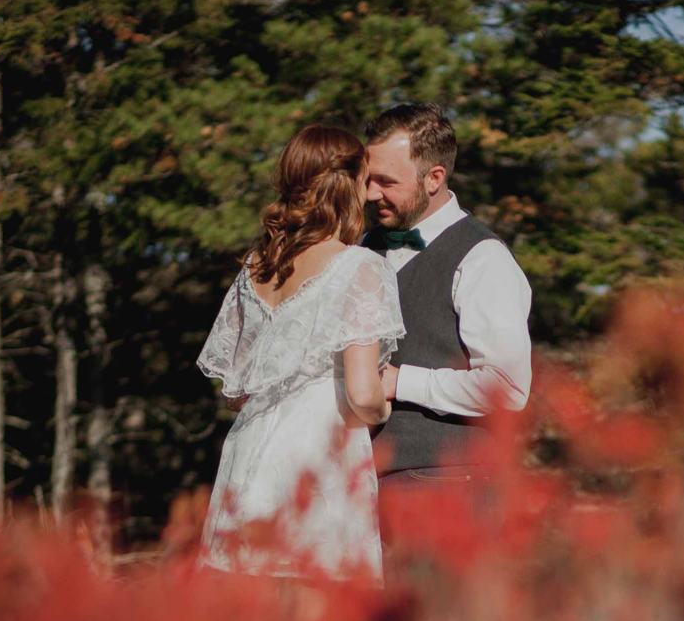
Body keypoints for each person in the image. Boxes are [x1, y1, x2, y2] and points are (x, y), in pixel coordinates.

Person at [197, 123, 403, 578]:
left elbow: (234, 390)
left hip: (251, 454)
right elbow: (364, 393)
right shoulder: (360, 267)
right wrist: (385, 414)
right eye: (365, 180)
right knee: (321, 605)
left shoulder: (257, 264)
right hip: (319, 457)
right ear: (345, 184)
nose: (371, 195)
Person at [357, 102, 534, 483]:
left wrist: (400, 381)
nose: (371, 194)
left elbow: (508, 388)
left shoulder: (483, 259)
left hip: (449, 489)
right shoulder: (362, 248)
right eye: (368, 179)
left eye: (386, 182)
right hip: (360, 488)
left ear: (433, 177)